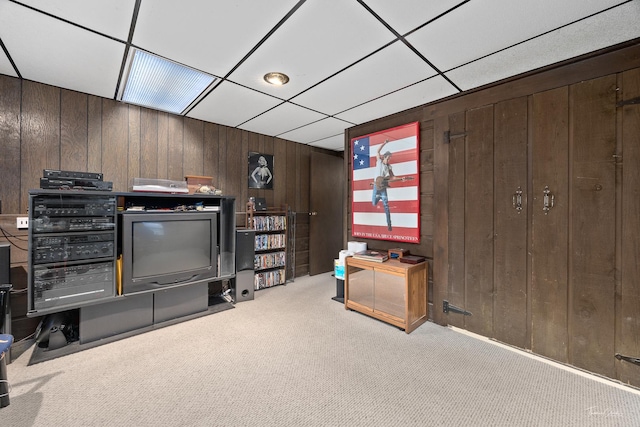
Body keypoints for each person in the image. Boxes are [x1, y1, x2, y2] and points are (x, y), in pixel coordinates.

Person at [372, 140, 394, 231]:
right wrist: (384, 143)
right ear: (384, 157)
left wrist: (401, 178)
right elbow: (377, 151)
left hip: (383, 186)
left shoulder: (389, 167)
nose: (389, 160)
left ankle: (389, 224)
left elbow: (392, 176)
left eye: (390, 158)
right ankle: (378, 197)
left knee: (386, 206)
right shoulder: (379, 162)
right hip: (376, 185)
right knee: (374, 203)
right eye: (388, 158)